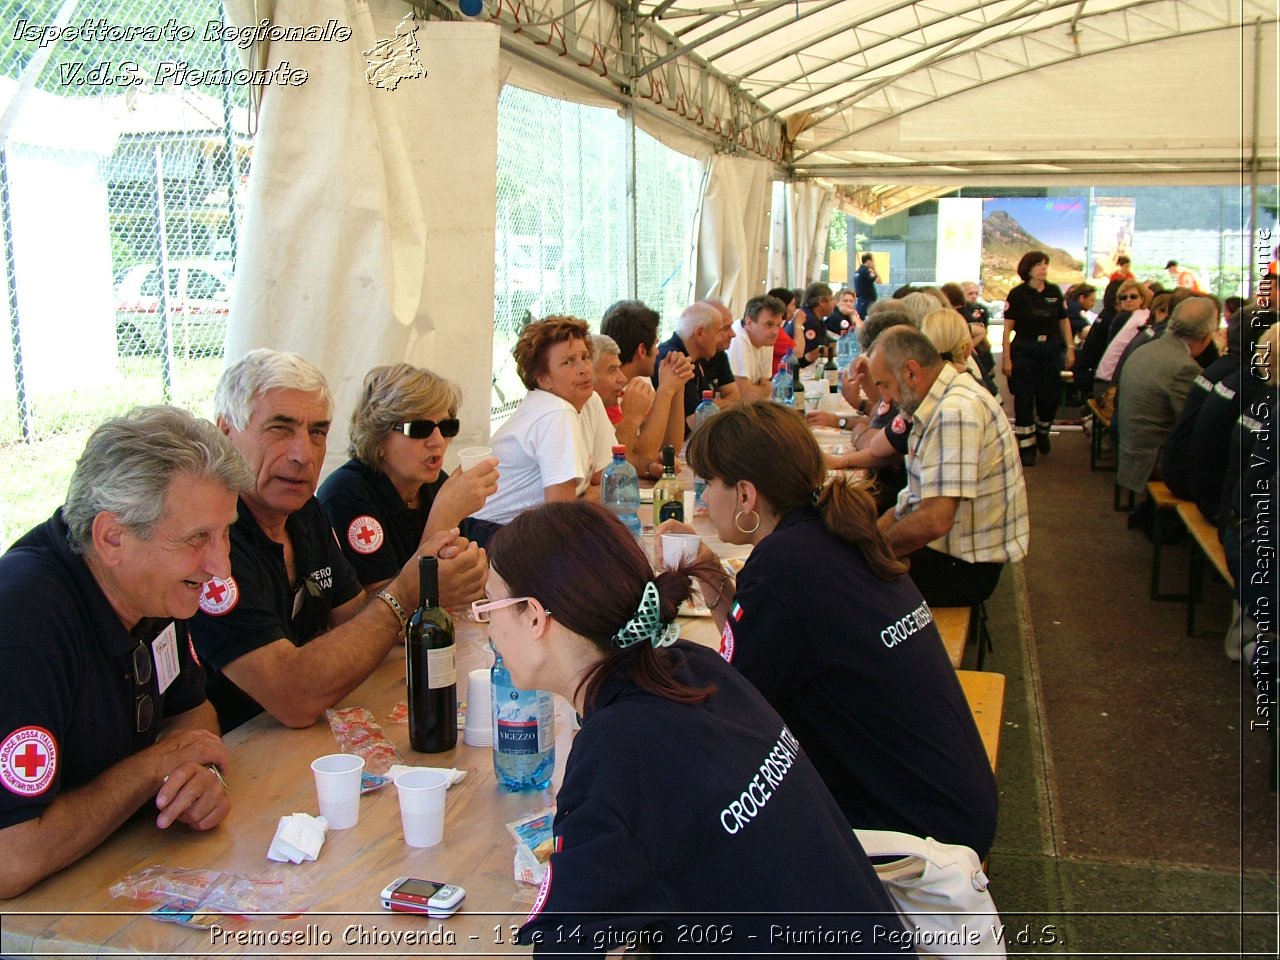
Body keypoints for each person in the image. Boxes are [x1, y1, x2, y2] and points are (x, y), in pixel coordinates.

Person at [478, 501, 902, 951]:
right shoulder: (693, 668)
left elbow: (562, 944)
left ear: (536, 616)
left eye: (489, 606)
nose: (486, 627)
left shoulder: (619, 751)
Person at [662, 402, 997, 859]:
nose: (701, 500)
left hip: (914, 833)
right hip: (950, 799)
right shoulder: (829, 533)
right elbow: (752, 647)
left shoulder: (786, 565)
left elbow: (730, 707)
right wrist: (709, 571)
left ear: (745, 495)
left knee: (693, 816)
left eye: (706, 485)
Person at [0, 406, 250, 898]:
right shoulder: (24, 621)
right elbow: (10, 857)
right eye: (198, 537)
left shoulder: (150, 589)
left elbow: (194, 717)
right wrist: (153, 769)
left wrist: (199, 776)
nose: (220, 565)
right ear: (112, 536)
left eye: (225, 533)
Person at [191, 349, 486, 732]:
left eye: (317, 432)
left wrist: (439, 583)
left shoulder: (304, 512)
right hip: (243, 753)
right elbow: (293, 696)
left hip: (303, 740)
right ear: (225, 433)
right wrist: (411, 590)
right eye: (280, 428)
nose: (303, 454)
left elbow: (360, 619)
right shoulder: (210, 537)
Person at [871, 327, 1029, 608]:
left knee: (842, 589)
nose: (886, 397)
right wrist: (870, 540)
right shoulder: (945, 398)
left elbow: (934, 520)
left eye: (884, 384)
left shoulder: (954, 412)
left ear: (911, 372)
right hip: (956, 555)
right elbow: (910, 502)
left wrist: (872, 554)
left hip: (963, 570)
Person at [317, 363, 498, 594]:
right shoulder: (346, 494)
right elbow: (383, 607)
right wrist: (445, 514)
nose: (438, 441)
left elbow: (452, 579)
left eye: (446, 426)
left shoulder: (434, 483)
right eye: (419, 428)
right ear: (378, 437)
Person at [472, 316, 617, 535]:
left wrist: (584, 501)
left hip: (534, 528)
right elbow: (561, 518)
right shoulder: (556, 412)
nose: (583, 369)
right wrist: (586, 500)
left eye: (585, 357)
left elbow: (610, 481)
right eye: (568, 362)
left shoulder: (589, 400)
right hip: (494, 532)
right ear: (543, 379)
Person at [1115, 297, 1221, 495]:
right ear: (1207, 336)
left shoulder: (1145, 349)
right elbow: (1193, 424)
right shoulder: (1185, 367)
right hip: (1154, 461)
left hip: (1130, 452)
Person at [599, 300, 693, 477]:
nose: (658, 352)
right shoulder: (607, 390)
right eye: (656, 345)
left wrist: (677, 385)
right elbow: (644, 454)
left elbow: (669, 448)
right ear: (642, 350)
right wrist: (665, 391)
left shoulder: (641, 379)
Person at [1001, 250, 1075, 466]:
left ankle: (1043, 430)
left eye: (1045, 264)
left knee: (1049, 397)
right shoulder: (1017, 295)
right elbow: (1007, 330)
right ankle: (1027, 445)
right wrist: (1007, 358)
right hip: (1024, 348)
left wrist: (1069, 348)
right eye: (1039, 264)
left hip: (1050, 348)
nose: (1044, 268)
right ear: (1028, 268)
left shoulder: (1053, 292)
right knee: (1024, 398)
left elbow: (1064, 321)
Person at [652, 301, 739, 427]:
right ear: (700, 333)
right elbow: (694, 423)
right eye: (718, 332)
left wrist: (715, 406)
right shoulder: (674, 359)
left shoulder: (695, 358)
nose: (720, 338)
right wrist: (717, 405)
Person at [725, 294, 784, 402]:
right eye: (769, 324)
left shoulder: (765, 339)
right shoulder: (736, 338)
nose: (775, 331)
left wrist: (759, 388)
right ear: (749, 323)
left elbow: (766, 384)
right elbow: (744, 396)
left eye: (778, 325)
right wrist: (763, 389)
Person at [787, 281, 835, 368]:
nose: (834, 303)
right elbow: (809, 356)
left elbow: (828, 344)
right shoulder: (809, 320)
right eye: (832, 299)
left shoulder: (815, 317)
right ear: (822, 301)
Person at [765, 285, 800, 374]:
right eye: (793, 305)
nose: (795, 309)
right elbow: (798, 352)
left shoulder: (780, 326)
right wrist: (798, 324)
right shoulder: (775, 331)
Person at [854, 252, 879, 318]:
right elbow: (879, 281)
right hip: (866, 302)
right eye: (872, 260)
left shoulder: (858, 271)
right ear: (868, 261)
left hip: (861, 301)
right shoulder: (865, 272)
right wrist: (874, 269)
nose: (873, 263)